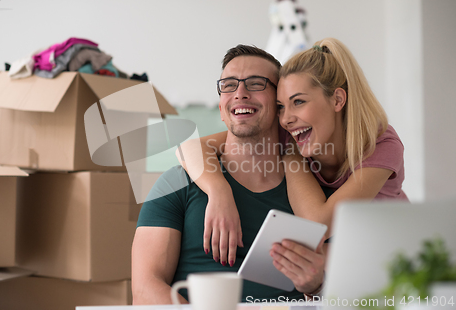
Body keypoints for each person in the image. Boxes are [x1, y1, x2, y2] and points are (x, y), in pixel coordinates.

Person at [178, 37, 409, 274]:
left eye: (298, 101)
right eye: (280, 107)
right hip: (347, 256)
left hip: (395, 251)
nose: (286, 118)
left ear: (338, 99)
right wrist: (219, 193)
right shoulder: (292, 131)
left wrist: (291, 154)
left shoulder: (379, 143)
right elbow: (188, 148)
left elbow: (315, 224)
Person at [132, 45, 328, 305]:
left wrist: (316, 286)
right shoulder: (176, 184)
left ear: (280, 105)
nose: (240, 93)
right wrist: (219, 190)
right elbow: (145, 289)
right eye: (229, 84)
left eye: (256, 84)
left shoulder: (315, 193)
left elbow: (349, 292)